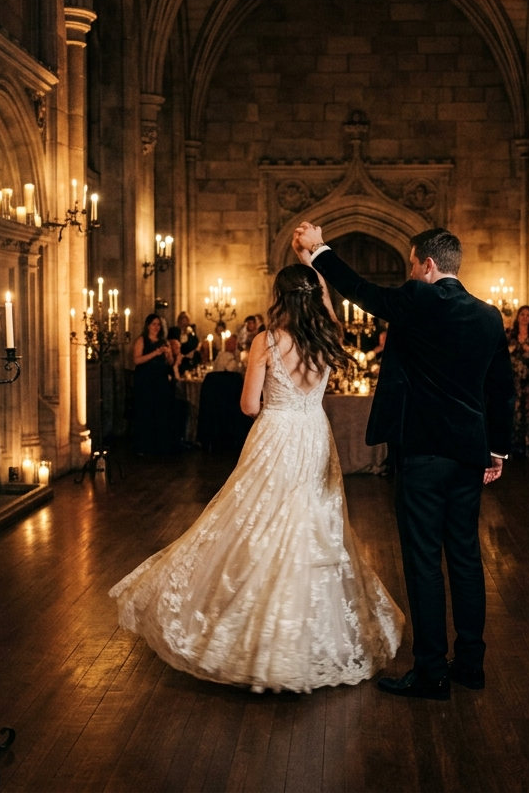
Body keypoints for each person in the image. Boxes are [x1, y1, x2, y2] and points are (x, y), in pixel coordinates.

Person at [109, 264, 404, 693]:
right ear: (316, 297)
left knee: (258, 521)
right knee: (313, 523)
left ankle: (258, 633)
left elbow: (249, 405)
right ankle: (310, 639)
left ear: (279, 297)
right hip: (314, 434)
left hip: (277, 433)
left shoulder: (267, 340)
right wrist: (316, 264)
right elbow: (330, 312)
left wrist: (274, 403)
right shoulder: (328, 336)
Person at [294, 223, 514, 701]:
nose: (411, 274)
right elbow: (501, 389)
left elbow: (360, 290)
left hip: (423, 453)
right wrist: (497, 450)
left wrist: (318, 250)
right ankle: (470, 664)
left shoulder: (418, 299)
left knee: (423, 561)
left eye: (413, 266)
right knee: (465, 557)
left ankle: (432, 671)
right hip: (469, 454)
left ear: (428, 265)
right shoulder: (489, 316)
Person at [131, 313, 176, 455]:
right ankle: (144, 446)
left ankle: (161, 446)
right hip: (145, 380)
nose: (156, 327)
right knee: (146, 412)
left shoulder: (164, 341)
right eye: (154, 324)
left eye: (158, 324)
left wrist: (168, 354)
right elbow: (136, 360)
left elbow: (170, 362)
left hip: (160, 380)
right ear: (148, 326)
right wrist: (154, 353)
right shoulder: (141, 340)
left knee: (161, 411)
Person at [506, 305, 529, 458]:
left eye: (528, 315)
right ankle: (514, 447)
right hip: (513, 381)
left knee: (528, 413)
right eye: (522, 314)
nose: (525, 317)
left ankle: (528, 447)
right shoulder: (510, 335)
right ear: (518, 316)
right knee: (514, 413)